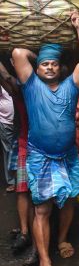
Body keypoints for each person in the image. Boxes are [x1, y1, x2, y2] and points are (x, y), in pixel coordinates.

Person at [12, 10, 79, 266]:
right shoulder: (31, 87)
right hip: (40, 157)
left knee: (68, 200)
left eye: (54, 63)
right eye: (45, 64)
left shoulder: (70, 86)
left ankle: (62, 239)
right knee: (43, 209)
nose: (49, 67)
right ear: (37, 69)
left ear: (61, 67)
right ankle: (45, 259)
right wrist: (42, 53)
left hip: (67, 156)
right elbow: (17, 53)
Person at [0, 58, 38, 264]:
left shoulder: (45, 87)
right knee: (22, 190)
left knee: (38, 198)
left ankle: (36, 244)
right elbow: (5, 77)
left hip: (43, 148)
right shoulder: (20, 89)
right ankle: (25, 233)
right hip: (25, 144)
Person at [0, 61, 16, 192]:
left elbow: (8, 77)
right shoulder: (3, 84)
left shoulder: (15, 83)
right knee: (8, 152)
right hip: (6, 123)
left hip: (16, 124)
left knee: (15, 152)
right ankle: (12, 181)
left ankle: (19, 179)